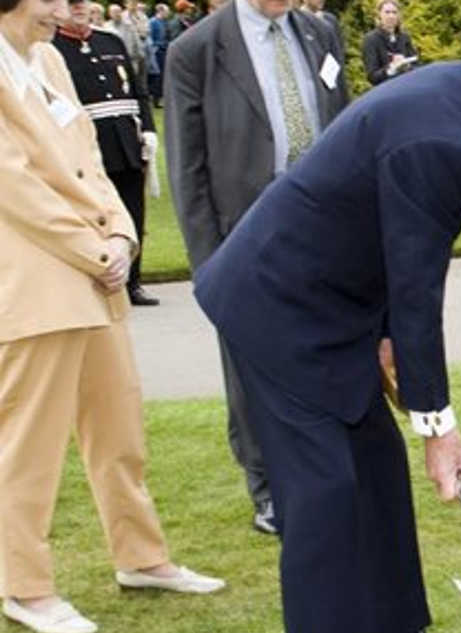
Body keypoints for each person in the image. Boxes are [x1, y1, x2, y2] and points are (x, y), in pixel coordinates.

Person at [192, 34, 461, 633]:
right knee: (326, 496)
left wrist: (388, 340)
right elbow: (419, 287)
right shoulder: (445, 137)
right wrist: (438, 427)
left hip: (337, 310)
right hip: (278, 307)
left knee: (379, 474)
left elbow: (398, 243)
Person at [1, 0, 228, 630]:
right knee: (29, 445)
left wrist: (123, 236)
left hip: (94, 270)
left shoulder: (47, 59)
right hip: (33, 279)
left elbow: (92, 159)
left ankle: (142, 557)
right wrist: (90, 247)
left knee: (119, 428)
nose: (65, 6)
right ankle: (25, 586)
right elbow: (12, 185)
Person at [163, 0, 350, 535]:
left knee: (327, 351)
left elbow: (344, 125)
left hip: (324, 226)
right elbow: (187, 169)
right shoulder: (195, 50)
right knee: (252, 369)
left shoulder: (319, 33)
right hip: (246, 237)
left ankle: (328, 472)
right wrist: (209, 265)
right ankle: (268, 487)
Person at [54, 0, 159, 306]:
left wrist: (149, 129)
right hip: (88, 148)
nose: (78, 8)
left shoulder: (109, 41)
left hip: (126, 142)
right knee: (95, 217)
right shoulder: (53, 48)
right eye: (71, 4)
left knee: (132, 214)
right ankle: (100, 279)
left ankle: (133, 282)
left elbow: (137, 89)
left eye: (82, 3)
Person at [362, 0, 415, 85]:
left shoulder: (405, 37)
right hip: (386, 90)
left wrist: (407, 65)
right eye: (387, 12)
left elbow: (416, 65)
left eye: (394, 12)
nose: (391, 16)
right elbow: (372, 77)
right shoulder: (371, 39)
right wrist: (391, 68)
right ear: (379, 15)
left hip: (407, 88)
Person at [146, 2, 167, 104]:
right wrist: (156, 47)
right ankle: (155, 98)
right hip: (156, 51)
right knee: (156, 75)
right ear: (160, 11)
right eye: (166, 12)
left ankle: (158, 97)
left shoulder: (163, 22)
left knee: (162, 75)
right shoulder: (153, 22)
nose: (167, 14)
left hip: (163, 50)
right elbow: (151, 37)